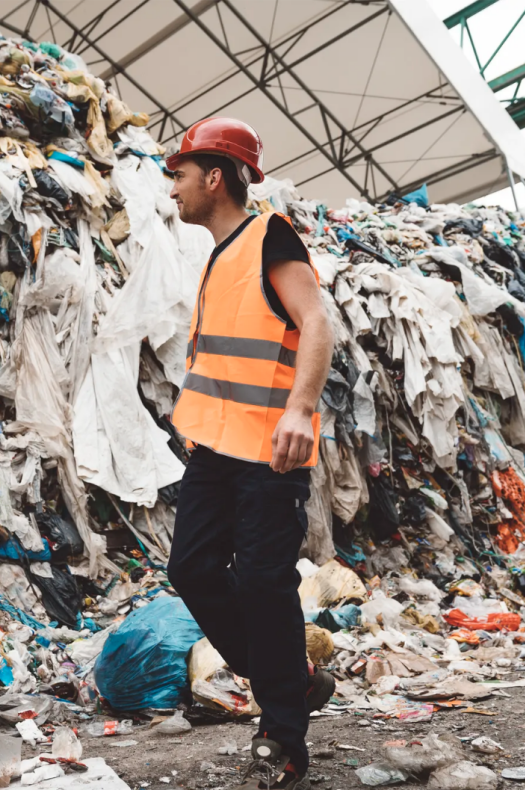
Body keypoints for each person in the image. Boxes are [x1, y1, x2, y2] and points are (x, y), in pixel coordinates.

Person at [165, 117, 335, 790]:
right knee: (193, 569)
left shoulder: (269, 234)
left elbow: (316, 322)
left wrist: (300, 410)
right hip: (213, 449)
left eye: (179, 174)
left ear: (214, 176)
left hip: (271, 452)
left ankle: (284, 739)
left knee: (265, 584)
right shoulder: (217, 254)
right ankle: (292, 679)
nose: (172, 188)